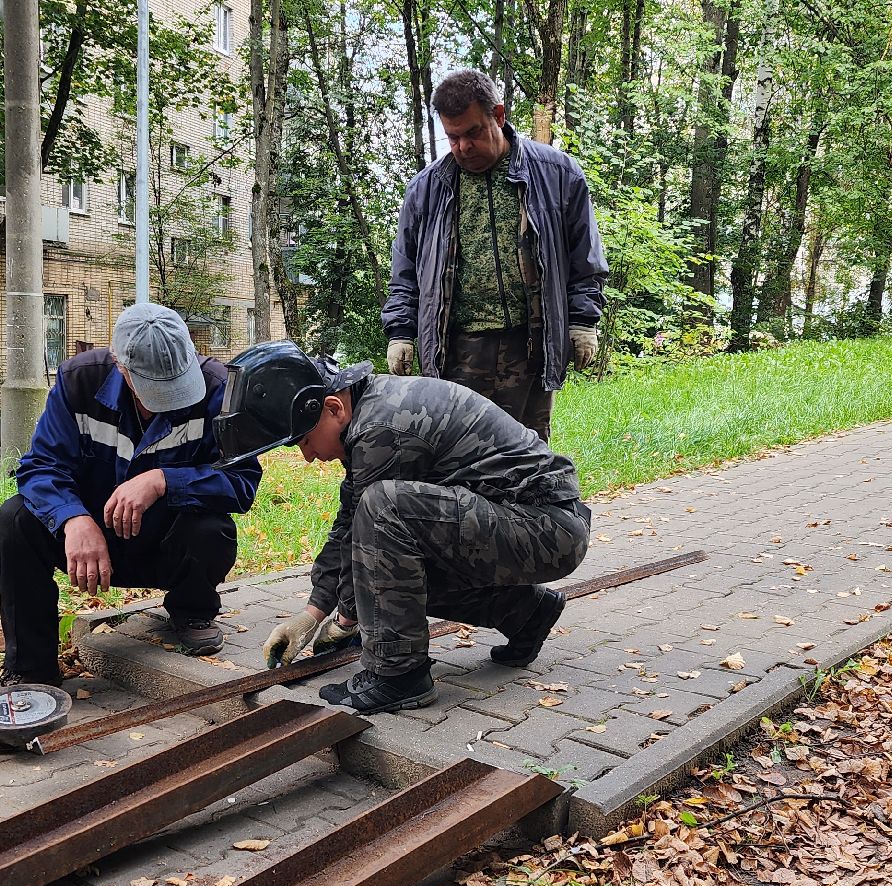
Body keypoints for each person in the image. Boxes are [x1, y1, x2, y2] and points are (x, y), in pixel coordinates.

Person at [215, 341, 590, 713]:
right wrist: (312, 614)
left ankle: (399, 675)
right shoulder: (369, 413)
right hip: (532, 526)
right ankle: (525, 613)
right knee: (395, 566)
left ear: (333, 408)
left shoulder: (383, 429)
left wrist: (346, 620)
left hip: (545, 528)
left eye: (305, 440)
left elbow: (370, 533)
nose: (308, 456)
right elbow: (350, 525)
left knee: (383, 509)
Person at [0, 304, 261, 682]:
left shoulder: (217, 389)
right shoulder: (79, 381)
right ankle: (31, 671)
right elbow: (41, 467)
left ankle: (192, 611)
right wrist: (73, 519)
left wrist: (163, 480)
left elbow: (242, 481)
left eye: (176, 384)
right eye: (155, 388)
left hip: (165, 545)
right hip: (90, 544)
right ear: (121, 367)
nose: (168, 399)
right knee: (14, 520)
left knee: (212, 529)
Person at [382, 68, 609, 442]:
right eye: (453, 137)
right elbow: (405, 272)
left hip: (530, 346)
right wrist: (401, 333)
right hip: (456, 351)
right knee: (461, 458)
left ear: (499, 116)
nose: (463, 147)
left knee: (528, 454)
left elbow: (585, 258)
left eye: (473, 133)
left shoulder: (557, 174)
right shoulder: (426, 189)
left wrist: (583, 322)